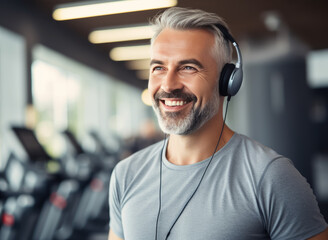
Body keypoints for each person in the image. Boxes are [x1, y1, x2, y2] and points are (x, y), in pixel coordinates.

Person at [108, 7, 328, 240]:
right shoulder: (126, 174)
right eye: (158, 68)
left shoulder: (271, 176)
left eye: (188, 68)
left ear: (227, 81)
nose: (168, 84)